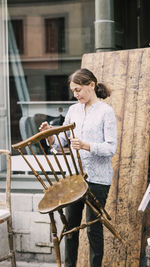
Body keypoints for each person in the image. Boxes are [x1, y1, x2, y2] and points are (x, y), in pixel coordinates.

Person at [39, 68, 117, 267]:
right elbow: (60, 143)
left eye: (79, 89)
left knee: (93, 229)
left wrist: (85, 145)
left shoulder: (105, 111)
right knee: (71, 227)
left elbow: (111, 148)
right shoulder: (74, 110)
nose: (76, 94)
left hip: (98, 178)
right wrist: (49, 134)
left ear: (91, 85)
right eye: (73, 91)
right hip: (74, 178)